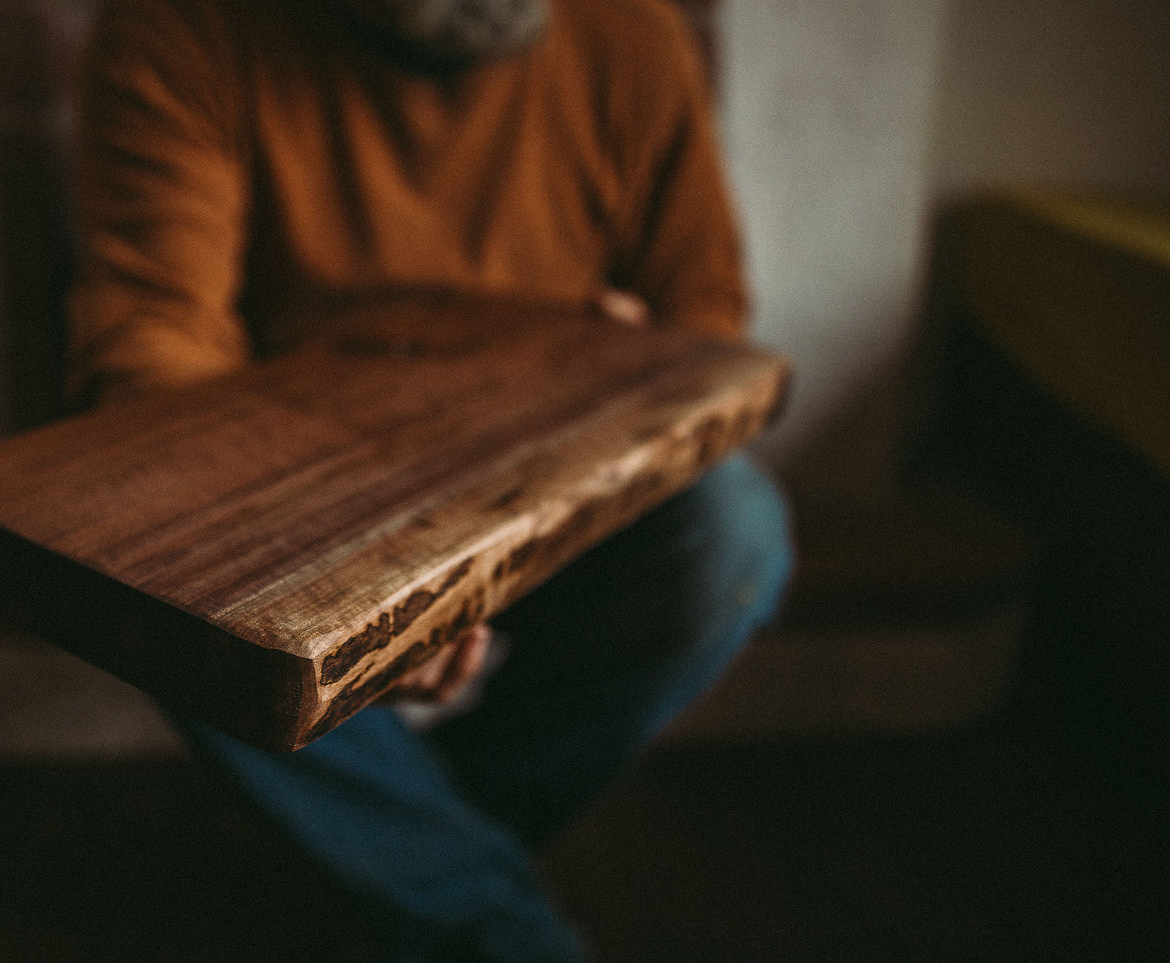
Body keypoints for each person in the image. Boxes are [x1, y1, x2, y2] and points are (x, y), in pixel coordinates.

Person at [68, 0, 793, 958]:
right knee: (158, 563)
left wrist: (637, 364)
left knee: (733, 531)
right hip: (292, 471)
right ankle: (486, 917)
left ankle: (406, 854)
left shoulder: (630, 33)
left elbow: (705, 320)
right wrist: (337, 561)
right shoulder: (181, 27)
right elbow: (156, 343)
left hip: (554, 454)